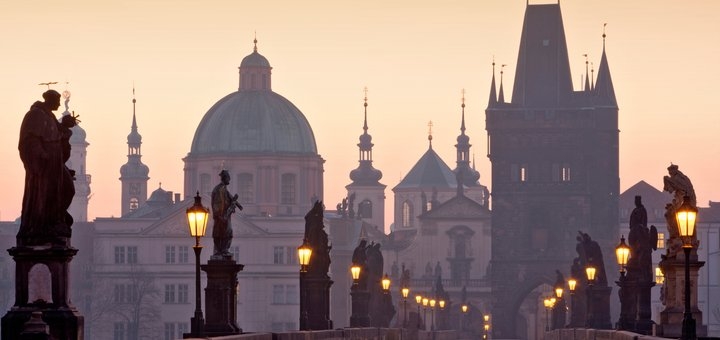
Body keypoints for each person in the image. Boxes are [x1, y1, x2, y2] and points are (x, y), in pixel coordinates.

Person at [18, 89, 77, 246]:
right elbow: (28, 140)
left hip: (55, 164)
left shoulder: (50, 117)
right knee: (46, 195)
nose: (59, 104)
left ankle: (55, 220)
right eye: (57, 101)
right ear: (49, 100)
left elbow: (60, 140)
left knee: (68, 189)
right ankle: (46, 225)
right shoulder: (35, 115)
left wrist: (65, 126)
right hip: (43, 166)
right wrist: (40, 155)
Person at [211, 170, 243, 259]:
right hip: (221, 216)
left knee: (228, 233)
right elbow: (217, 203)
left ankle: (223, 250)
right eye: (228, 178)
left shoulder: (224, 189)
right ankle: (220, 251)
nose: (230, 180)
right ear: (225, 178)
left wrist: (235, 204)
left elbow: (230, 198)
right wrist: (220, 216)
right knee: (220, 233)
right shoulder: (219, 189)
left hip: (225, 215)